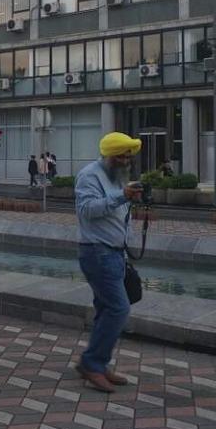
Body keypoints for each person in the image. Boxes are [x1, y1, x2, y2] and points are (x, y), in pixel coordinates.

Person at [75, 132, 143, 393]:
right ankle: (93, 364)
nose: (127, 159)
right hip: (97, 253)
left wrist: (129, 196)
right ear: (109, 155)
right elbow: (87, 210)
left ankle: (96, 363)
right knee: (118, 309)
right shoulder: (89, 175)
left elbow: (114, 211)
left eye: (129, 155)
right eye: (122, 155)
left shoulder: (116, 177)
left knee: (106, 309)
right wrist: (122, 196)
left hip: (114, 253)